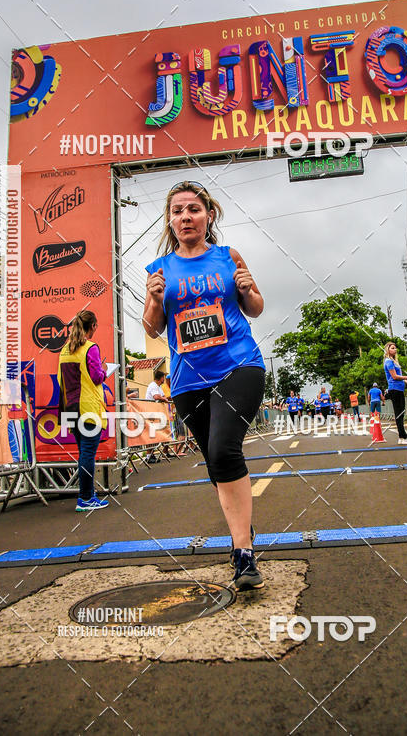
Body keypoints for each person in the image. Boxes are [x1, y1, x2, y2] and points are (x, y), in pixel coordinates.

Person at [144, 180, 266, 590]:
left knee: (222, 449)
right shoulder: (160, 269)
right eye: (177, 211)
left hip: (238, 365)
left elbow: (256, 308)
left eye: (193, 209)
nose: (185, 217)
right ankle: (244, 527)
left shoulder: (227, 257)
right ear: (170, 220)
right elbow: (152, 326)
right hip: (187, 381)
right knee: (217, 465)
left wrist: (247, 289)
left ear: (208, 215)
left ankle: (243, 553)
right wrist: (156, 299)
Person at [58, 309, 109, 511]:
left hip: (69, 407)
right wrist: (105, 372)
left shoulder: (64, 349)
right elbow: (97, 377)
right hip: (88, 407)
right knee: (87, 454)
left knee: (83, 453)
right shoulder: (91, 348)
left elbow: (60, 379)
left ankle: (88, 495)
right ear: (93, 326)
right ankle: (86, 498)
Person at [383, 342, 407, 445]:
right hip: (395, 390)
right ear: (388, 350)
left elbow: (399, 377)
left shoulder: (393, 361)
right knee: (399, 414)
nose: (395, 350)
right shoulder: (389, 362)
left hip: (399, 389)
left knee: (401, 414)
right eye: (393, 348)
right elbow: (394, 377)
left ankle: (402, 437)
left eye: (395, 348)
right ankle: (403, 437)